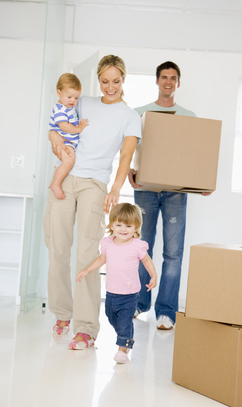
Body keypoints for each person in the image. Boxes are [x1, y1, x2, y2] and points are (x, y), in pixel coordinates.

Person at [43, 55, 141, 350]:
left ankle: (86, 328)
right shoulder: (83, 102)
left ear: (124, 80)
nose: (110, 87)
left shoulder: (129, 116)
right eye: (105, 81)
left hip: (95, 185)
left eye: (116, 81)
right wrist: (53, 140)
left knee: (87, 254)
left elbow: (125, 156)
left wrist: (115, 188)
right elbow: (55, 126)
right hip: (66, 177)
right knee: (58, 248)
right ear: (98, 79)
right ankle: (62, 313)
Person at [128, 61, 211, 330]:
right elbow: (129, 150)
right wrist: (130, 170)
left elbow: (196, 155)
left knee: (173, 254)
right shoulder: (140, 114)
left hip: (175, 194)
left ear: (178, 83)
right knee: (141, 249)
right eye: (164, 77)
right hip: (146, 191)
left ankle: (166, 312)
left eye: (173, 78)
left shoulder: (188, 115)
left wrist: (203, 183)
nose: (168, 81)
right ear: (157, 81)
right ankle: (140, 303)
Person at [76, 203, 157, 363]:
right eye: (118, 224)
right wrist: (87, 270)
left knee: (125, 321)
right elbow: (101, 259)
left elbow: (147, 261)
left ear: (136, 227)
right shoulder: (107, 243)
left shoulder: (137, 246)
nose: (123, 229)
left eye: (128, 225)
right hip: (111, 293)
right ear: (111, 224)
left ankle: (123, 348)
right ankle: (125, 335)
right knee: (111, 317)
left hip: (130, 294)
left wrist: (153, 275)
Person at [49, 73, 89, 200]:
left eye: (76, 97)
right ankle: (56, 183)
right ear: (59, 93)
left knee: (69, 161)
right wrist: (79, 128)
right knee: (69, 161)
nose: (73, 101)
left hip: (68, 142)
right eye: (69, 96)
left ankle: (56, 183)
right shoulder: (60, 109)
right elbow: (64, 127)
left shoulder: (68, 106)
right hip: (64, 141)